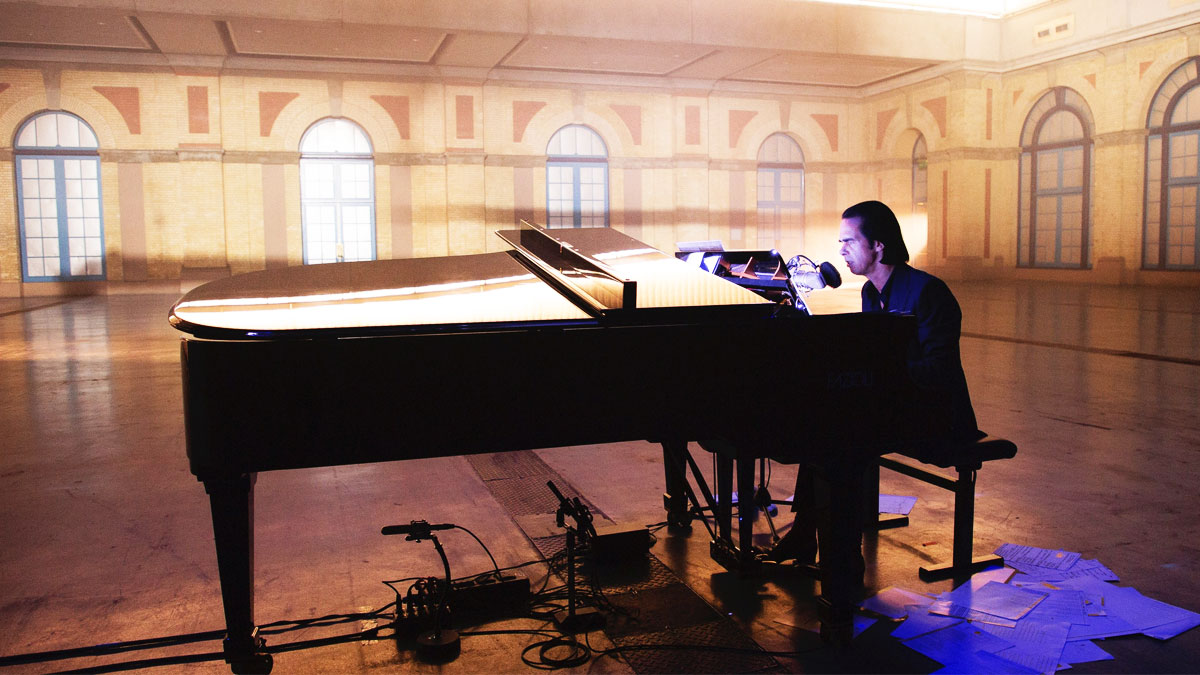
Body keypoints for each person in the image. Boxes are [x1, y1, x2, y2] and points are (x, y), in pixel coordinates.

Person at [767, 200, 981, 563]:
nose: (841, 250)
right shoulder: (870, 292)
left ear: (878, 245)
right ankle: (811, 537)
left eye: (849, 241)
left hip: (938, 415)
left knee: (842, 438)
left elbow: (939, 371)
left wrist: (882, 378)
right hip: (897, 406)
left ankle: (842, 560)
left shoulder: (928, 292)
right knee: (821, 423)